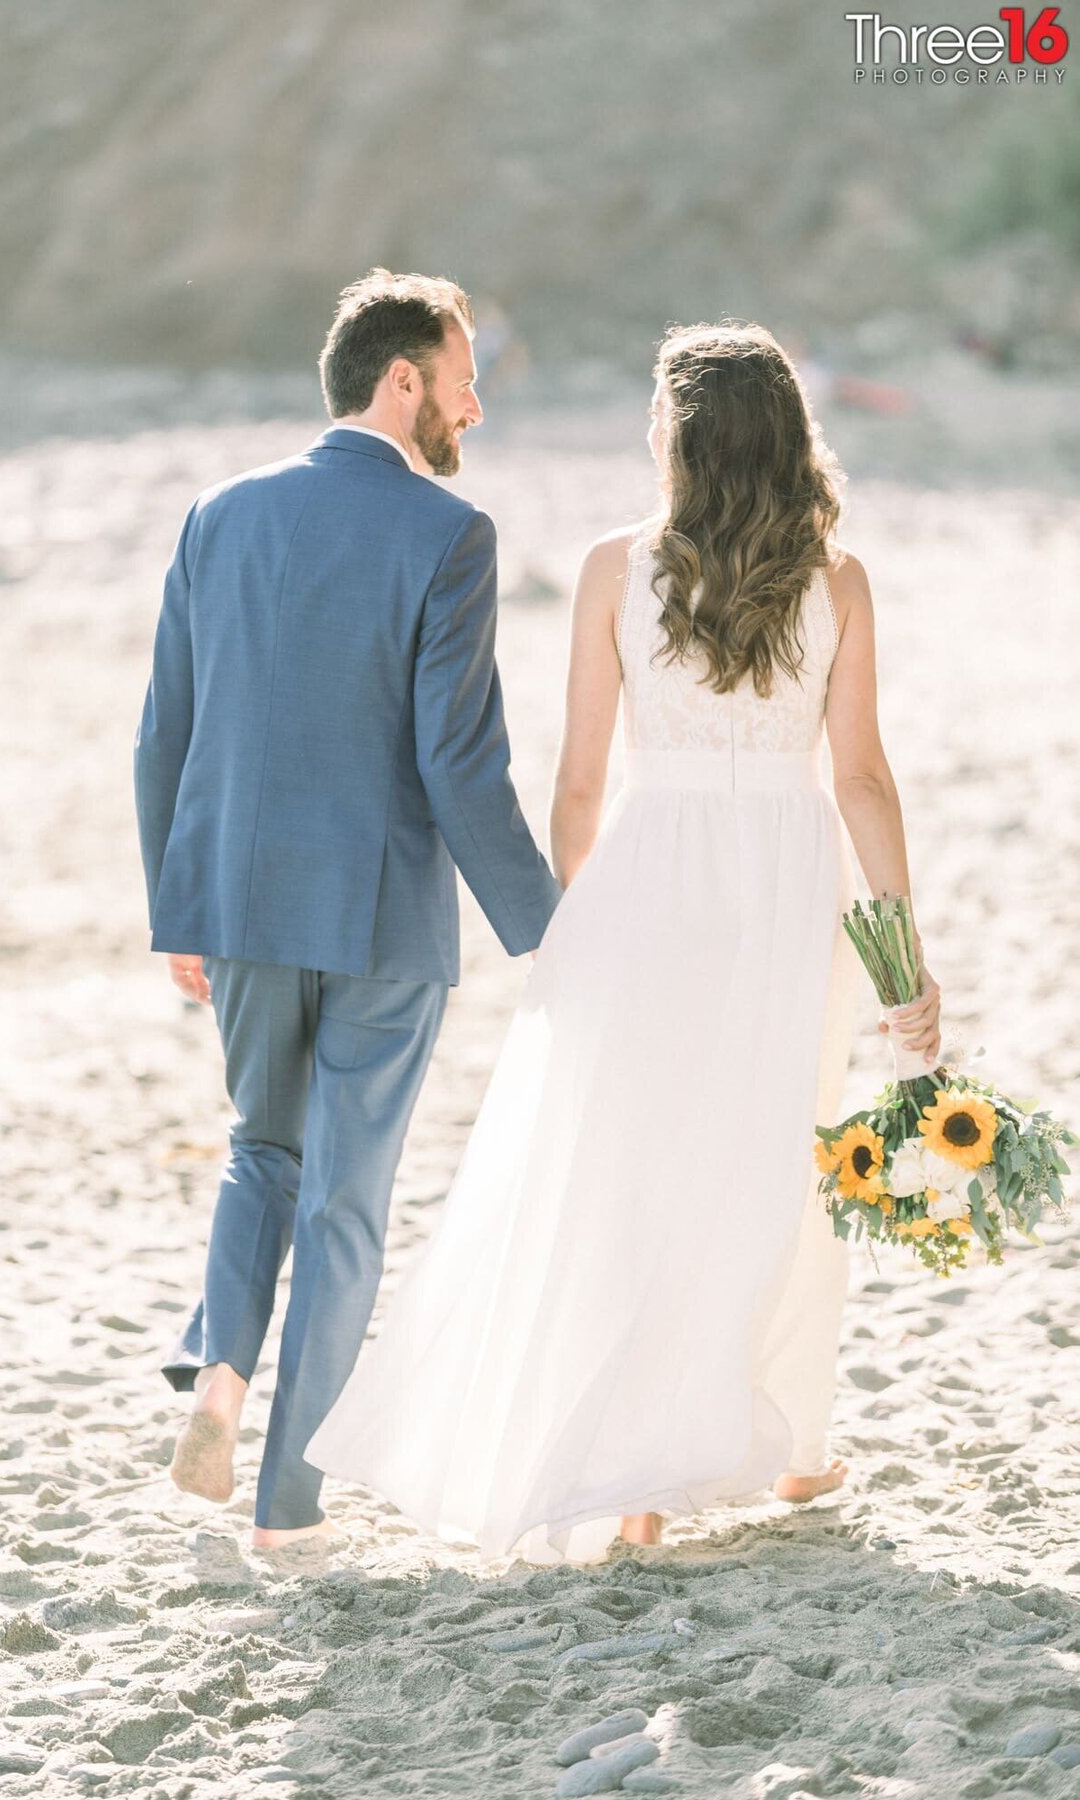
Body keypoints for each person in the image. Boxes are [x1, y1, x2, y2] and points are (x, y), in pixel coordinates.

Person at [306, 320, 942, 1564]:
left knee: (636, 1163)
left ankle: (640, 1484)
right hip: (788, 884)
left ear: (682, 438)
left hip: (645, 880)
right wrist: (901, 960)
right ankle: (792, 1442)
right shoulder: (838, 580)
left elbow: (580, 785)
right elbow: (861, 779)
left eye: (658, 415)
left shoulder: (614, 569)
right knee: (776, 1153)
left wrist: (567, 933)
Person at [133, 269, 560, 1548]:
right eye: (464, 373)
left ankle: (219, 1380)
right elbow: (460, 764)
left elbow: (167, 730)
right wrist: (546, 927)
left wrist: (179, 910)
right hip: (379, 920)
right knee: (347, 1206)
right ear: (403, 379)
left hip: (243, 906)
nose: (475, 405)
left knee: (264, 1148)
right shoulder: (447, 536)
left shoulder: (220, 514)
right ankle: (287, 1507)